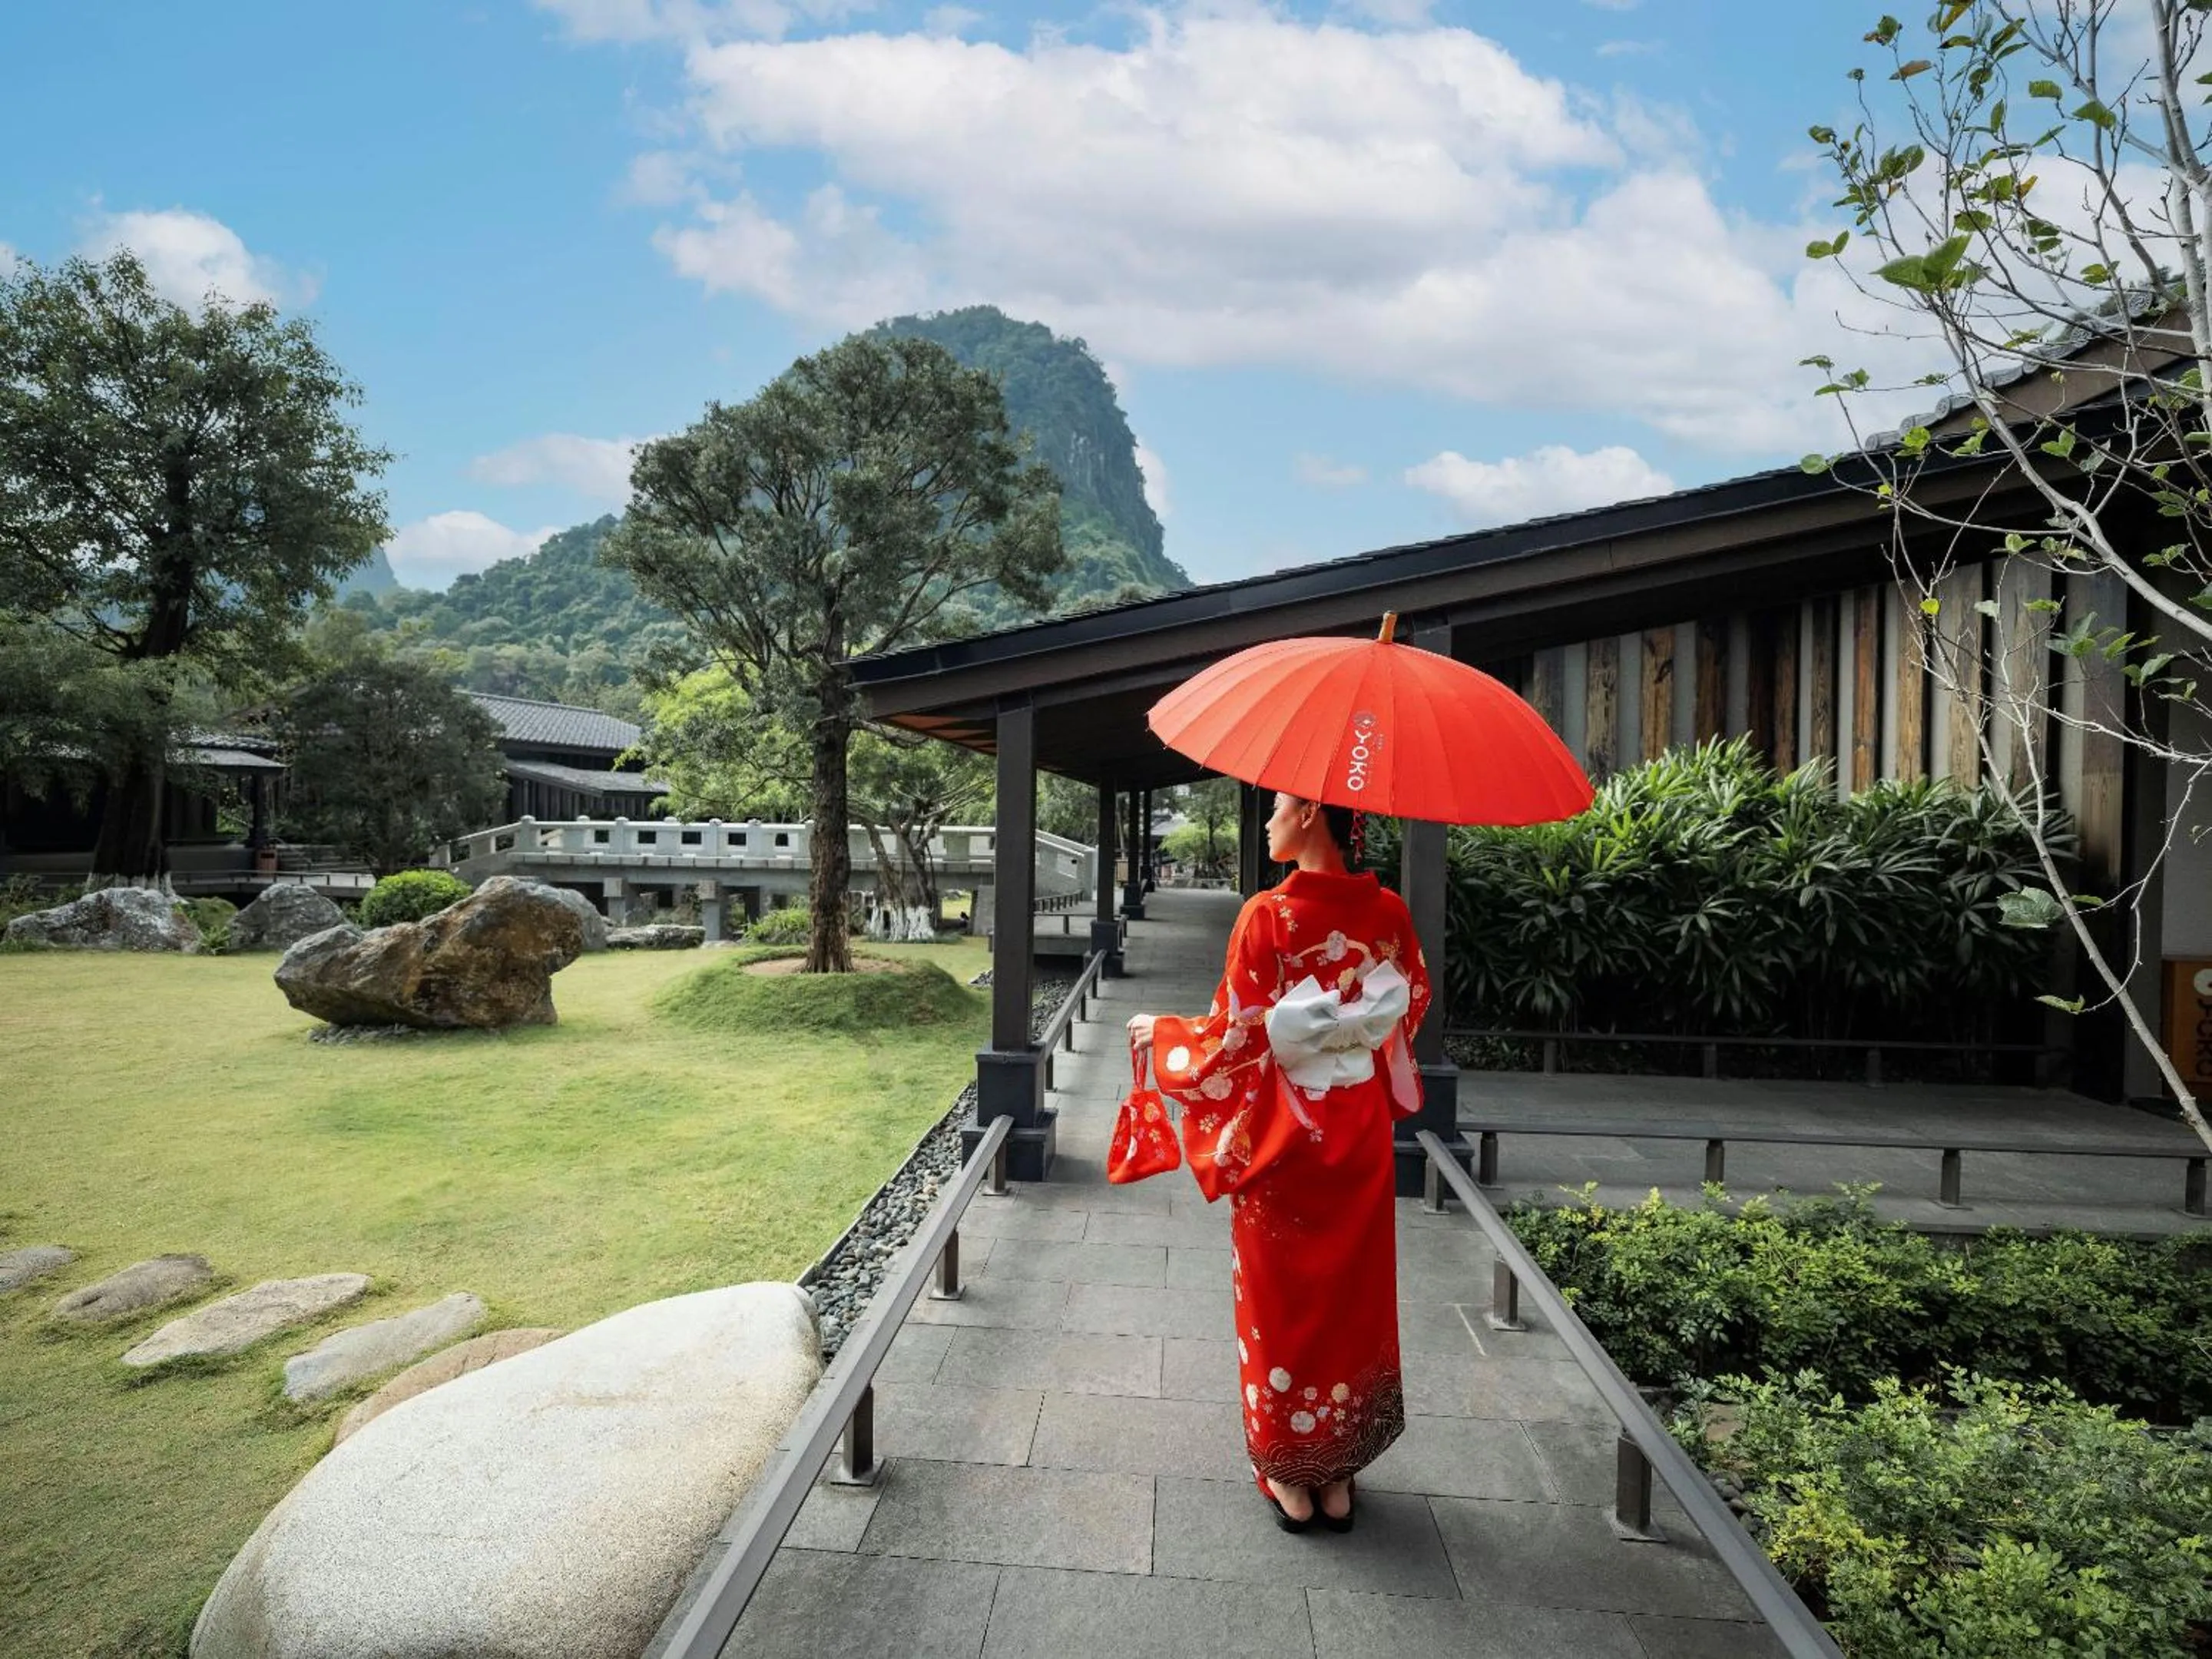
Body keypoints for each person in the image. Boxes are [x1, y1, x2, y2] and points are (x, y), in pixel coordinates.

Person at [1126, 790, 1431, 1533]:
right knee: (1350, 1296)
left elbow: (1235, 1036)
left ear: (1310, 816)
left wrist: (1165, 1032)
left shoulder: (1269, 915)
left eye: (1279, 808)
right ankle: (1338, 1471)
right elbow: (1410, 1006)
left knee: (1281, 1302)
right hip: (1357, 1130)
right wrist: (1349, 1040)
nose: (1268, 821)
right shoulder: (1390, 914)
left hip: (1287, 1136)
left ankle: (1290, 1470)